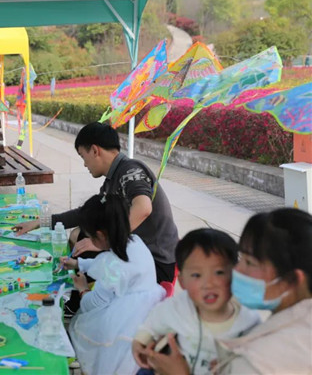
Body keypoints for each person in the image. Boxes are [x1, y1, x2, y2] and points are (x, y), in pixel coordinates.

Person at [146, 208, 312, 374]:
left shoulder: (255, 362)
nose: (236, 270)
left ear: (291, 280)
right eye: (241, 259)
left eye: (250, 262)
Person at [16, 122, 179, 283]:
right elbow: (85, 215)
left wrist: (107, 243)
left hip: (156, 262)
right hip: (136, 251)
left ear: (95, 150)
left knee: (85, 247)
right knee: (80, 234)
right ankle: (79, 289)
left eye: (83, 156)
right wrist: (41, 222)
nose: (84, 164)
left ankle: (81, 294)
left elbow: (143, 207)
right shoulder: (112, 180)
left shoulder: (131, 171)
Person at [61, 193, 166, 375]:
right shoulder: (135, 242)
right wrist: (78, 264)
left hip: (122, 330)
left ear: (100, 235)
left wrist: (83, 288)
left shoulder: (114, 264)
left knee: (85, 333)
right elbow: (107, 266)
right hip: (144, 319)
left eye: (91, 236)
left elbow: (93, 304)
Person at [131, 229, 260, 375]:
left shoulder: (249, 323)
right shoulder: (178, 306)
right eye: (197, 275)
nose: (209, 284)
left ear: (236, 275)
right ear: (182, 282)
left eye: (219, 272)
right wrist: (140, 341)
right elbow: (154, 321)